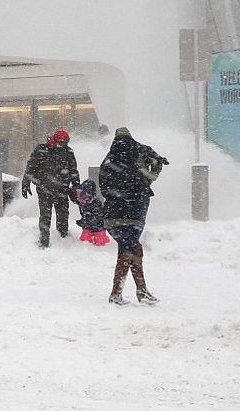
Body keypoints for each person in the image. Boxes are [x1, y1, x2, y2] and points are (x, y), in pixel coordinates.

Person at [99, 127, 169, 305]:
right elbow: (152, 170)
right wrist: (153, 173)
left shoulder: (107, 162)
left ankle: (139, 290)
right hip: (134, 213)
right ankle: (119, 293)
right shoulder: (138, 156)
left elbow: (104, 188)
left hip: (112, 216)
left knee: (131, 249)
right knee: (129, 250)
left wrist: (118, 194)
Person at [21, 129, 80, 247]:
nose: (63, 145)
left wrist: (76, 187)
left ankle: (61, 236)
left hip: (57, 188)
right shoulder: (43, 150)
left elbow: (73, 171)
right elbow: (31, 166)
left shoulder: (67, 152)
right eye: (62, 142)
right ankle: (46, 239)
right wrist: (26, 182)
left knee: (58, 214)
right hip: (47, 188)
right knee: (49, 214)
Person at [69, 179, 110, 246]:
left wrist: (84, 222)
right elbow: (75, 200)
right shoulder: (82, 202)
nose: (83, 198)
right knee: (84, 241)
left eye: (86, 196)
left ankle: (103, 243)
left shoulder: (96, 204)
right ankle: (88, 242)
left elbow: (96, 218)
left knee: (100, 243)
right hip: (87, 228)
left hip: (98, 228)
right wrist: (71, 193)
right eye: (82, 195)